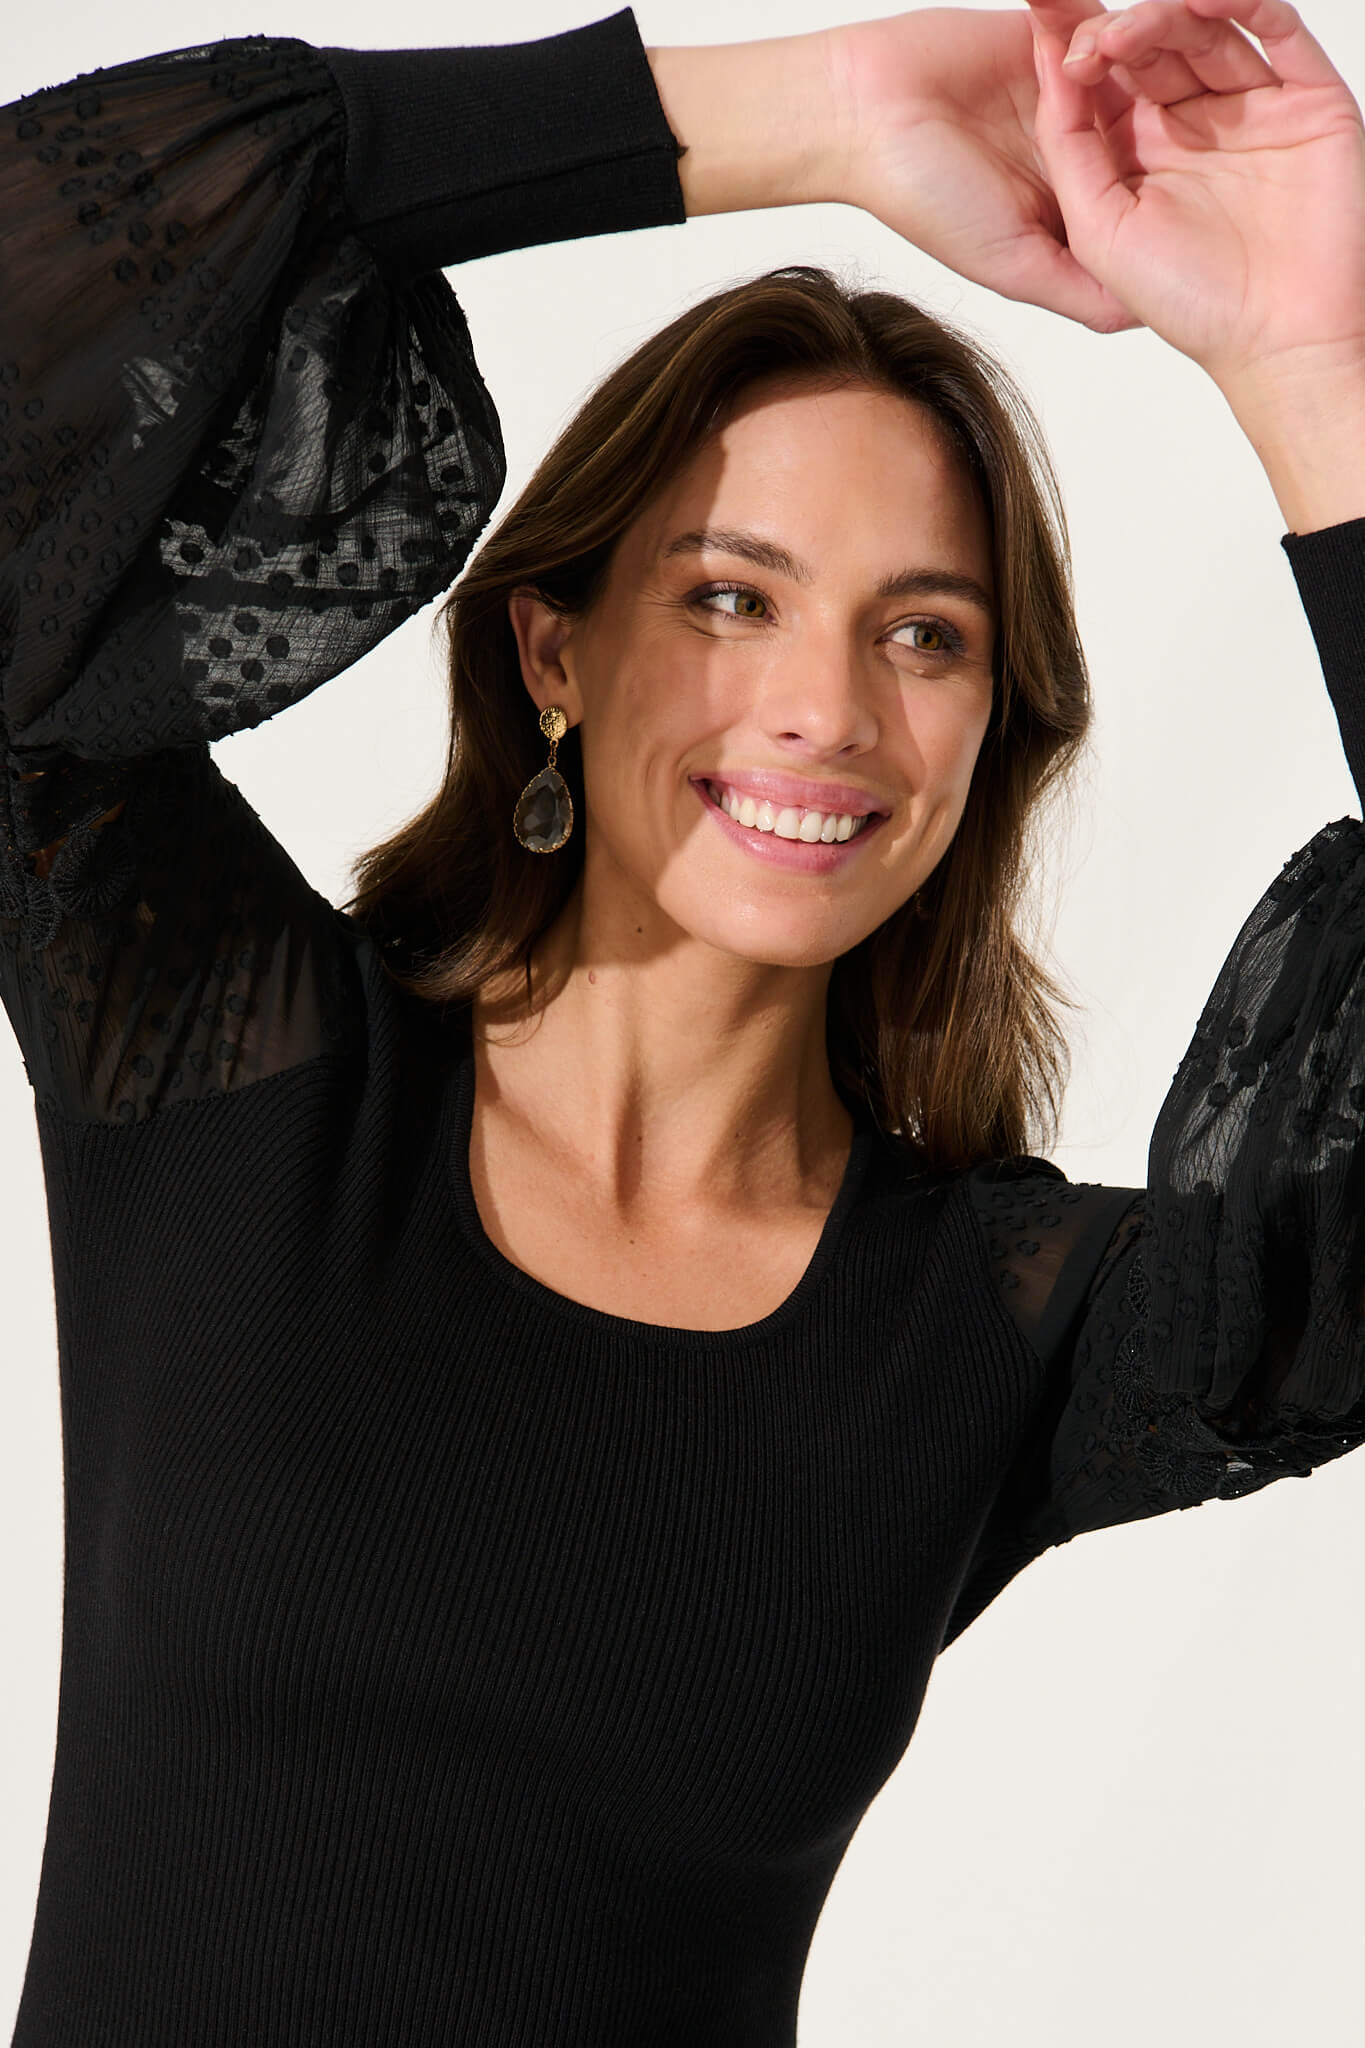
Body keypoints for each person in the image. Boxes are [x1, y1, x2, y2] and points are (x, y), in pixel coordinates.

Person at [2, 0, 1364, 2039]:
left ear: (987, 737)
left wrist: (1312, 370)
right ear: (552, 650)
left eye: (923, 635)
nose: (823, 707)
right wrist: (814, 116)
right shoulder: (224, 1057)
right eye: (730, 596)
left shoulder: (998, 1330)